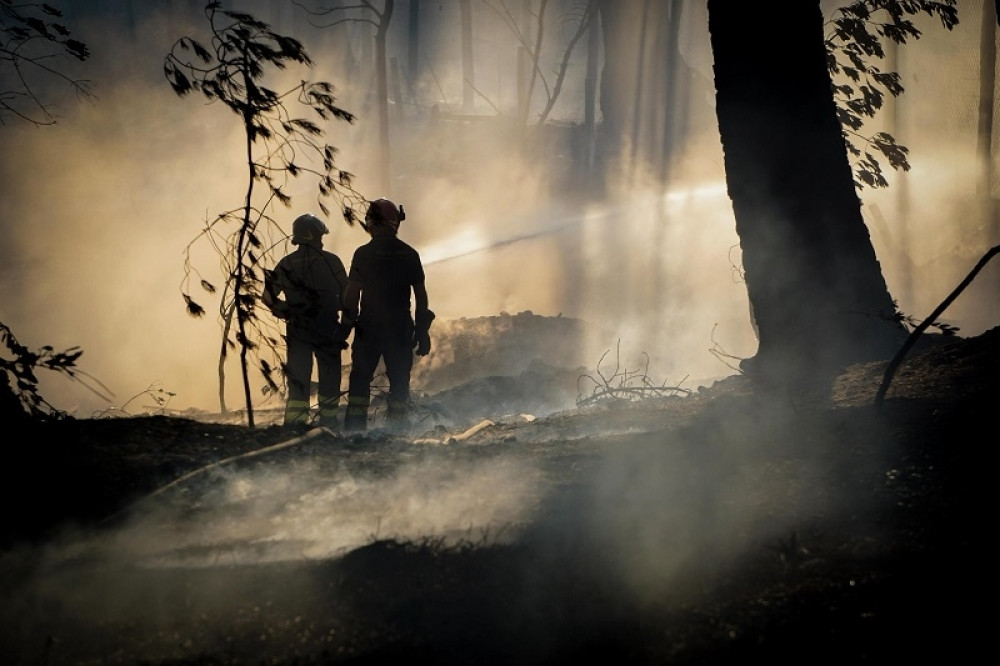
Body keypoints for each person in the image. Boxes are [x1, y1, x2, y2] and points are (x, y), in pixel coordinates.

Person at [342, 197, 433, 432]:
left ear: (370, 223)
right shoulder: (409, 253)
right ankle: (397, 432)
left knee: (361, 380)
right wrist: (422, 331)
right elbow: (421, 296)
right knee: (400, 382)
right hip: (399, 327)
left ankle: (354, 431)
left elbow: (352, 293)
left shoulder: (362, 254)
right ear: (394, 222)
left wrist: (345, 325)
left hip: (368, 327)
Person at [262, 212, 350, 427]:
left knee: (298, 382)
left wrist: (284, 311)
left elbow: (267, 296)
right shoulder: (331, 261)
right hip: (327, 328)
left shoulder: (286, 263)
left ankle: (294, 426)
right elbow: (348, 294)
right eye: (320, 237)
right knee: (329, 380)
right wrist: (345, 321)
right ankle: (328, 424)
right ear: (314, 237)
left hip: (297, 330)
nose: (321, 242)